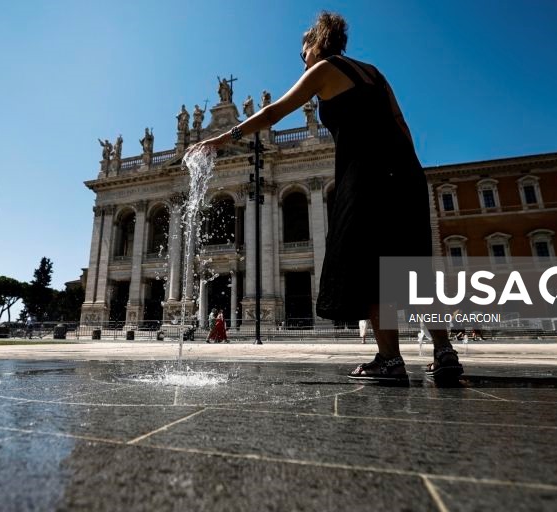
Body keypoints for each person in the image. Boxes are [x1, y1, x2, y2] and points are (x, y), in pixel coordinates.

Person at [188, 11, 462, 383]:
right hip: (406, 171)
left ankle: (390, 359)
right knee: (413, 268)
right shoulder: (375, 73)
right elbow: (402, 125)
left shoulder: (323, 69)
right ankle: (445, 351)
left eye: (304, 52)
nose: (303, 59)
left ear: (318, 44)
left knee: (370, 263)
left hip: (365, 172)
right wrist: (407, 172)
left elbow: (273, 112)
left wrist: (222, 138)